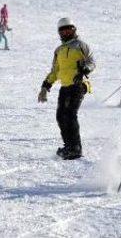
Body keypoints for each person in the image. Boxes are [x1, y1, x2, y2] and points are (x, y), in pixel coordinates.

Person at [37, 18, 95, 160]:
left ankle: (75, 148)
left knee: (70, 114)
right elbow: (55, 71)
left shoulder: (81, 45)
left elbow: (91, 62)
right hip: (65, 86)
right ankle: (69, 146)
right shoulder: (59, 50)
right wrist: (45, 86)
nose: (66, 32)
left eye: (69, 29)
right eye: (62, 30)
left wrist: (85, 69)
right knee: (60, 116)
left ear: (74, 30)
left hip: (79, 84)